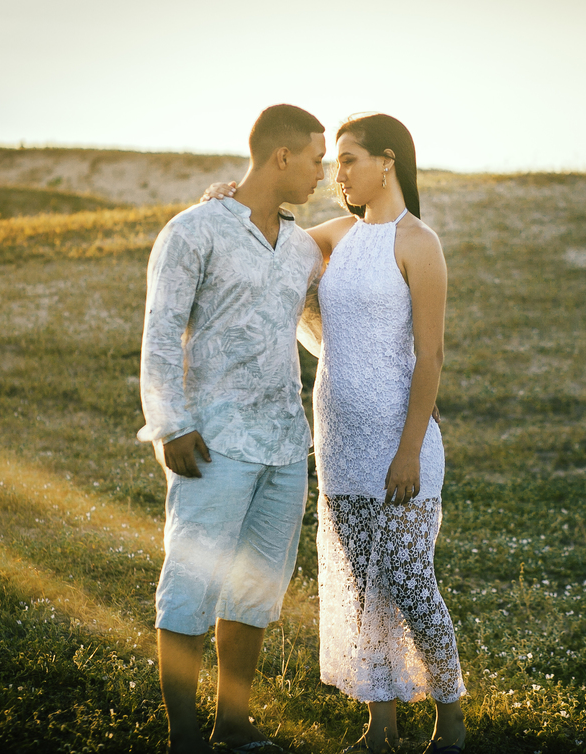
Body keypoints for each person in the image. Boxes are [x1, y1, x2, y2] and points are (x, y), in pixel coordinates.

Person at [205, 113, 465, 754]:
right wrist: (225, 204)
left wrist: (409, 450)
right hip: (341, 437)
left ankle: (451, 718)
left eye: (349, 160)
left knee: (408, 580)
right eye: (335, 160)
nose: (337, 172)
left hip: (400, 441)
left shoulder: (418, 243)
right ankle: (380, 727)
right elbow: (268, 245)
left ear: (387, 163)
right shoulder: (336, 236)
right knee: (359, 583)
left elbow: (430, 357)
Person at [137, 104, 326, 754]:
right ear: (281, 156)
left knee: (256, 587)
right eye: (315, 158)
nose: (321, 172)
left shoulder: (301, 246)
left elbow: (312, 330)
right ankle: (184, 737)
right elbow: (160, 331)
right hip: (211, 442)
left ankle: (234, 725)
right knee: (191, 582)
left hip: (282, 444)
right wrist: (170, 424)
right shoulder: (193, 231)